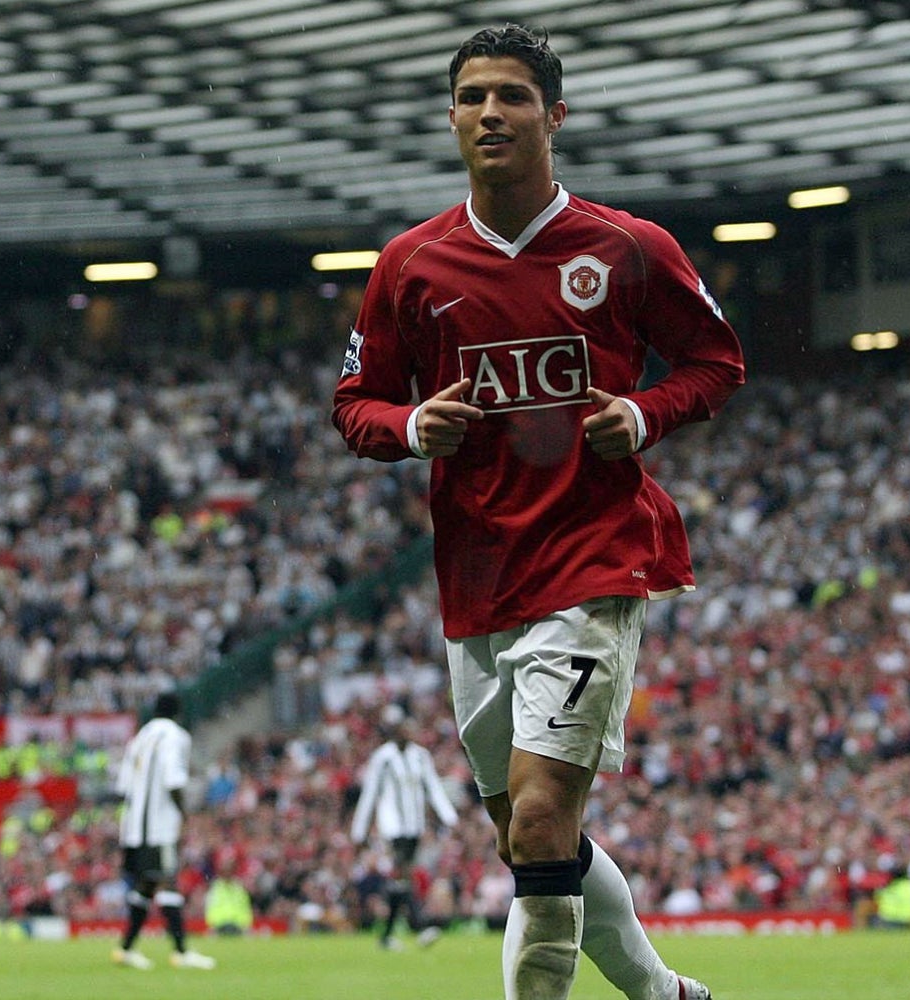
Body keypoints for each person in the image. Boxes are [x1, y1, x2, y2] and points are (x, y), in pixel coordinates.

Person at [332, 23, 743, 1000]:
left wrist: (642, 412)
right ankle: (662, 994)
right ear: (450, 116)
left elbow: (716, 361)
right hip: (475, 585)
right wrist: (408, 424)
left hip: (590, 564)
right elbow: (352, 406)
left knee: (544, 818)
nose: (489, 113)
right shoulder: (409, 264)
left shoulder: (625, 247)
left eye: (511, 95)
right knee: (525, 833)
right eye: (472, 96)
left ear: (552, 114)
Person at [109, 691, 215, 971]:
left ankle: (126, 949)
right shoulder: (176, 736)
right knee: (168, 880)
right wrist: (184, 813)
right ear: (178, 713)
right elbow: (173, 779)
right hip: (159, 826)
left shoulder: (141, 737)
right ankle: (181, 951)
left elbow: (123, 785)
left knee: (146, 883)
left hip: (133, 827)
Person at [350, 717, 459, 950]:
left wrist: (450, 818)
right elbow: (370, 794)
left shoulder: (420, 756)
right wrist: (359, 830)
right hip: (392, 826)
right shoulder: (383, 758)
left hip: (414, 825)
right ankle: (419, 926)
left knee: (401, 879)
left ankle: (387, 935)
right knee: (402, 873)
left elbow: (433, 787)